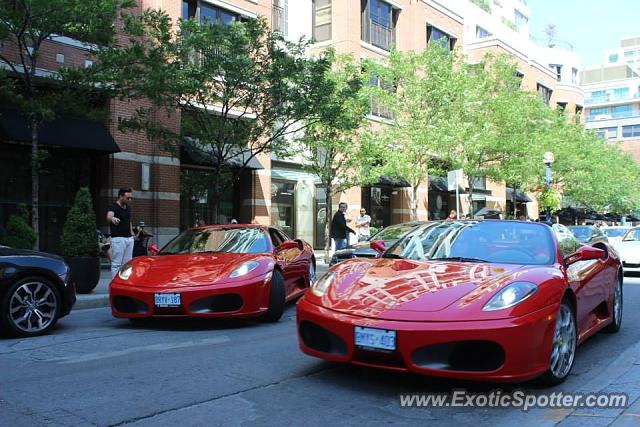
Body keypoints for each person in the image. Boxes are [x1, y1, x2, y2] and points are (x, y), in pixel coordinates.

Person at [107, 188, 134, 278]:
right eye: (127, 198)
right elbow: (109, 216)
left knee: (127, 263)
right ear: (121, 196)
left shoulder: (128, 208)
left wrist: (132, 233)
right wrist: (113, 219)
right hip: (118, 239)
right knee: (116, 264)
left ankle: (125, 283)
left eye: (131, 198)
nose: (129, 200)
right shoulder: (113, 206)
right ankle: (115, 283)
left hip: (129, 239)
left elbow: (129, 221)